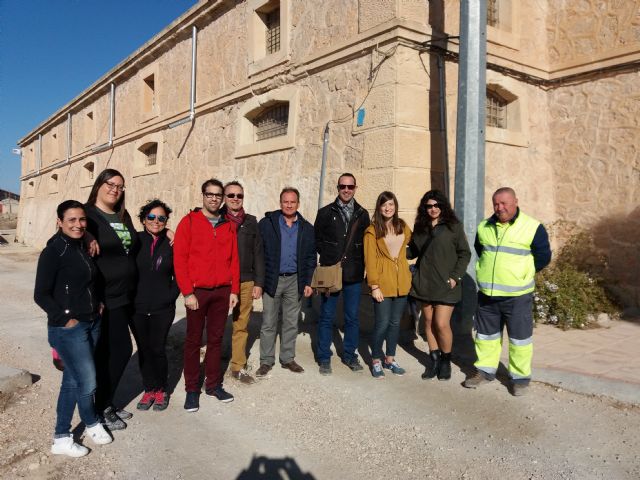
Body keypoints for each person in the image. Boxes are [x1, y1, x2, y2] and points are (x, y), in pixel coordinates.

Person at [35, 200, 113, 457]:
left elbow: (87, 283)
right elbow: (41, 294)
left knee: (72, 381)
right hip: (69, 328)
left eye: (82, 220)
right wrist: (65, 317)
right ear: (59, 222)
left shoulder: (81, 245)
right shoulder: (53, 252)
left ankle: (61, 437)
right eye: (72, 220)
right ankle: (90, 422)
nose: (78, 225)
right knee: (87, 381)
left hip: (92, 322)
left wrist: (98, 303)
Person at [463, 187, 551, 396]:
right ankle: (484, 371)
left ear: (515, 202)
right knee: (486, 337)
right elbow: (480, 251)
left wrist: (522, 273)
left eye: (504, 203)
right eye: (496, 203)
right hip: (487, 296)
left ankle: (520, 378)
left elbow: (543, 256)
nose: (499, 207)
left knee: (519, 340)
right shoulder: (484, 226)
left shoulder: (532, 227)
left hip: (517, 296)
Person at [173, 179, 240, 412]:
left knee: (215, 340)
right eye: (209, 194)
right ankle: (192, 389)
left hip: (221, 291)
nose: (214, 198)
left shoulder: (227, 225)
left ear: (222, 198)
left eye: (218, 195)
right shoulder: (189, 222)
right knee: (193, 341)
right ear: (202, 195)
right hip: (197, 292)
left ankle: (213, 385)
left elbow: (234, 260)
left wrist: (233, 290)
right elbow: (179, 259)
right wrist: (187, 292)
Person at [85, 169, 139, 430]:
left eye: (120, 186)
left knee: (109, 352)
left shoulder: (122, 216)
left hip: (126, 294)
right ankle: (100, 407)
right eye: (110, 184)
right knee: (117, 351)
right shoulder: (88, 215)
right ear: (99, 185)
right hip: (105, 296)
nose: (115, 190)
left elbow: (132, 244)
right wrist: (85, 234)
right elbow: (64, 229)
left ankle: (105, 402)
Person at [408, 190, 471, 381]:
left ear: (442, 206)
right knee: (428, 322)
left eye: (436, 205)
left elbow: (464, 253)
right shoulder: (420, 227)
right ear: (424, 208)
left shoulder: (454, 227)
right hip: (425, 282)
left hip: (446, 285)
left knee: (441, 323)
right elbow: (412, 251)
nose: (433, 209)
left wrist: (455, 277)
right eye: (429, 206)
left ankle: (445, 360)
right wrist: (394, 245)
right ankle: (434, 360)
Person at [255, 188, 316, 377]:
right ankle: (266, 361)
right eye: (285, 201)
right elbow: (258, 253)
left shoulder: (306, 228)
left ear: (298, 204)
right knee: (269, 322)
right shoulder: (267, 224)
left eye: (292, 202)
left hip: (294, 280)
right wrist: (259, 280)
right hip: (272, 279)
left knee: (291, 322)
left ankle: (288, 358)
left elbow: (310, 257)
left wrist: (308, 282)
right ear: (280, 202)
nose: (289, 205)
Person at [314, 173, 370, 375]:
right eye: (342, 186)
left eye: (350, 186)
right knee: (327, 316)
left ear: (356, 188)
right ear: (337, 187)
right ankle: (323, 357)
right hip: (331, 273)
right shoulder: (326, 212)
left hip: (354, 275)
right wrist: (330, 257)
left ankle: (349, 355)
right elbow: (317, 240)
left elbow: (366, 243)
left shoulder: (362, 214)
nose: (346, 190)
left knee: (352, 318)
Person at [133, 199, 179, 411]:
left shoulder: (171, 244)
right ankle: (148, 388)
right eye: (151, 217)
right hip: (137, 307)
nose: (156, 221)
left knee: (157, 348)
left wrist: (170, 296)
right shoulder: (134, 240)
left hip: (163, 307)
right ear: (143, 220)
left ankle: (161, 389)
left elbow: (179, 274)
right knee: (144, 349)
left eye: (162, 218)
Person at [364, 191, 412, 379]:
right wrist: (374, 286)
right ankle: (376, 359)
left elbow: (412, 245)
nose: (388, 208)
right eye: (384, 205)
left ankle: (390, 359)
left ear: (395, 206)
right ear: (379, 207)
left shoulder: (403, 226)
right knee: (382, 323)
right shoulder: (372, 231)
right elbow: (370, 260)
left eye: (391, 204)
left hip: (402, 283)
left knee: (395, 323)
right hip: (382, 284)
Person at [222, 181, 265, 385]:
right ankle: (212, 366)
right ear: (224, 197)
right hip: (220, 281)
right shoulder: (216, 219)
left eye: (239, 196)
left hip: (246, 281)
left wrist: (259, 282)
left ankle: (237, 365)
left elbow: (258, 253)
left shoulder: (251, 222)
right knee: (215, 324)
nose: (235, 199)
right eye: (231, 195)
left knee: (241, 324)